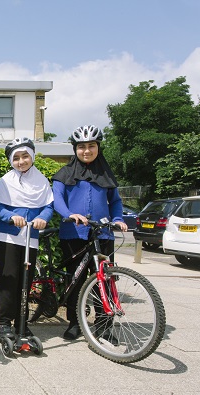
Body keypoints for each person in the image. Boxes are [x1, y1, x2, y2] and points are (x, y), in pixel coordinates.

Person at [52, 125, 128, 340]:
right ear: (75, 149)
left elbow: (115, 202)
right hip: (73, 233)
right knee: (75, 280)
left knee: (105, 280)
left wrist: (119, 219)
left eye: (91, 146)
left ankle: (104, 326)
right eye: (81, 146)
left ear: (98, 148)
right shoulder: (64, 174)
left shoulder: (106, 174)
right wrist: (70, 214)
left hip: (102, 233)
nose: (87, 150)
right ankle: (76, 322)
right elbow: (57, 199)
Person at [0, 137, 53, 342]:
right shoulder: (6, 181)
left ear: (32, 156)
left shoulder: (42, 181)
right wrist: (10, 217)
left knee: (26, 282)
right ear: (11, 161)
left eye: (25, 156)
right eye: (16, 158)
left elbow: (48, 206)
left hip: (30, 237)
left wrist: (43, 218)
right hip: (6, 237)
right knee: (8, 281)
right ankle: (3, 323)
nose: (21, 161)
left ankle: (22, 323)